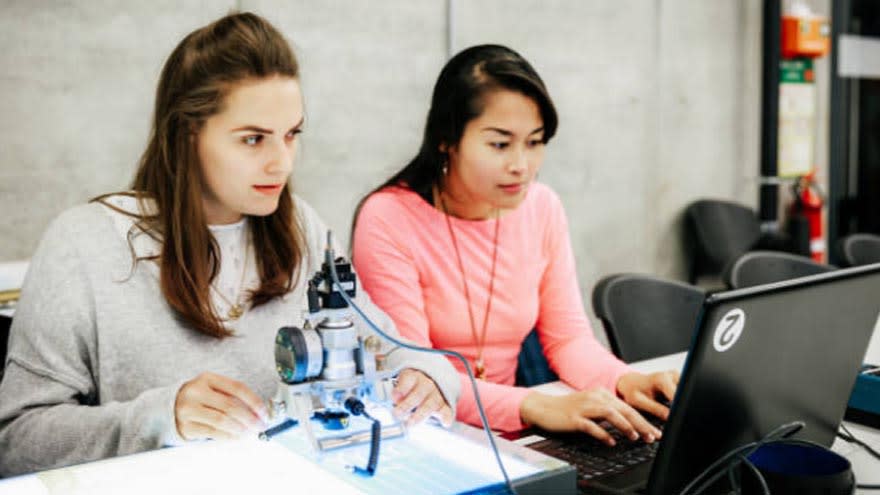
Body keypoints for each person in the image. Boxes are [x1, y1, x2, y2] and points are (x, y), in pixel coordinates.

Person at [0, 12, 458, 477]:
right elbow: (16, 441)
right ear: (187, 135)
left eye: (291, 134)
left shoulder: (302, 226)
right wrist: (160, 417)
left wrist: (428, 379)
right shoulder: (84, 244)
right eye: (253, 139)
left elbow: (388, 345)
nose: (281, 163)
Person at [352, 44, 677, 443]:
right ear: (446, 139)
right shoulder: (388, 218)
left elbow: (567, 338)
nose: (521, 165)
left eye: (535, 142)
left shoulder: (542, 207)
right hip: (427, 433)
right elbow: (414, 373)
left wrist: (627, 381)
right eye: (500, 144)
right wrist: (534, 406)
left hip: (515, 433)